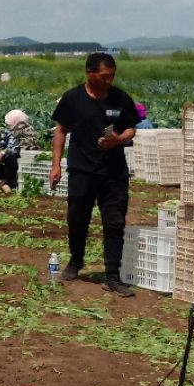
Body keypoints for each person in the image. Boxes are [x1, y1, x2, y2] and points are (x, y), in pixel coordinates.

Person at [49, 52, 141, 296]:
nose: (109, 80)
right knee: (77, 219)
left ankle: (112, 275)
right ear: (89, 73)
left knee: (114, 222)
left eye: (112, 76)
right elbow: (60, 131)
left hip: (113, 173)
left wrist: (118, 140)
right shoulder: (73, 98)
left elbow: (131, 129)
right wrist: (56, 165)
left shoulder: (120, 98)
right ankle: (76, 261)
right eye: (104, 76)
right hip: (82, 171)